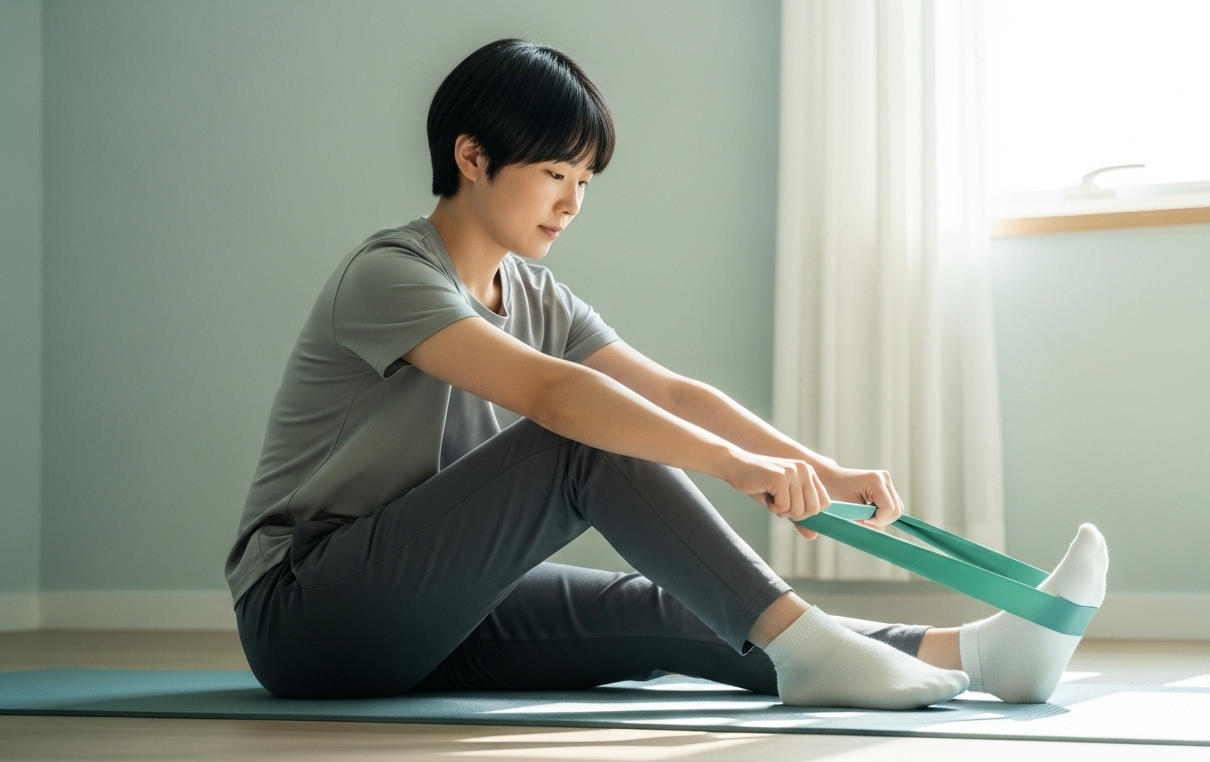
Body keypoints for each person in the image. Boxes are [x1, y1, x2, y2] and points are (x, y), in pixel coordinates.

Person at [226, 38, 1108, 710]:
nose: (572, 202)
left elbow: (677, 395)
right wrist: (735, 468)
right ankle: (806, 651)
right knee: (577, 441)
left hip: (431, 605)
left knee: (678, 595)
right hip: (308, 612)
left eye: (585, 179)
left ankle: (983, 657)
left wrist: (820, 470)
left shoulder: (534, 292)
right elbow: (555, 398)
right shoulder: (390, 275)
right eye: (554, 173)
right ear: (471, 157)